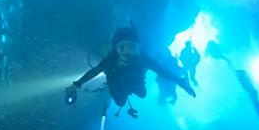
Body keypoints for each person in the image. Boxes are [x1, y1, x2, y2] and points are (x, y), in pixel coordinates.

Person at [66, 24, 195, 117]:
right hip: (117, 86)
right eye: (122, 47)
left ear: (136, 47)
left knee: (142, 94)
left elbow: (161, 70)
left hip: (134, 81)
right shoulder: (110, 60)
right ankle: (119, 89)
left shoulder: (141, 58)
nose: (126, 51)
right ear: (116, 48)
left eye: (130, 46)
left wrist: (181, 82)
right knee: (121, 102)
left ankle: (128, 87)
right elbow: (94, 72)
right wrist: (76, 84)